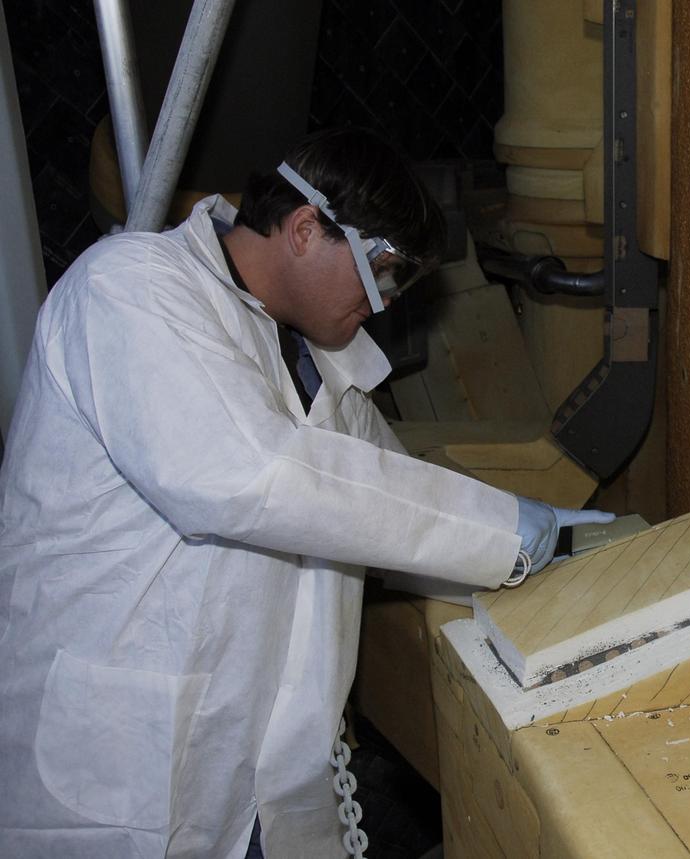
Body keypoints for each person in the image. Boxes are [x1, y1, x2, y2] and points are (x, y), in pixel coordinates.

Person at [0, 127, 611, 858]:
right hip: (122, 765)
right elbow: (253, 476)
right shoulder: (130, 289)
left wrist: (556, 554)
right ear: (303, 227)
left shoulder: (318, 363)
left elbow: (387, 510)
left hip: (255, 774)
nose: (383, 306)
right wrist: (506, 527)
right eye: (381, 272)